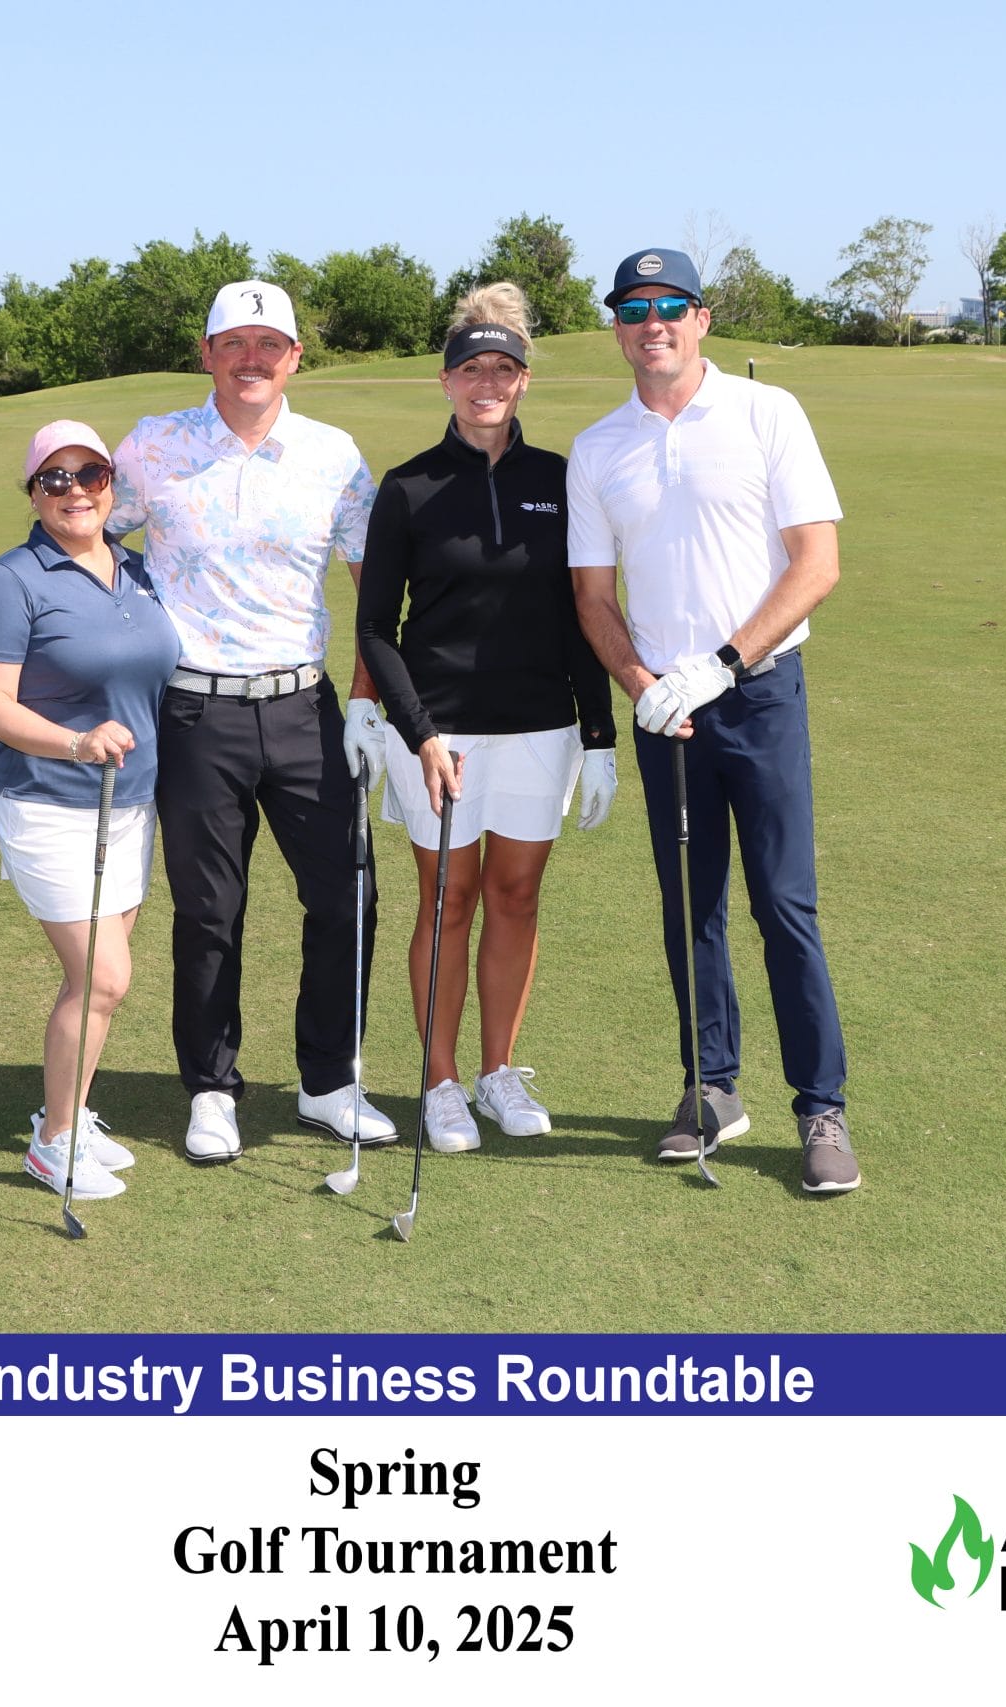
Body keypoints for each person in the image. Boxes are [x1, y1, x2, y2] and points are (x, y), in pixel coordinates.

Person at [567, 247, 861, 1195]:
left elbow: (816, 563)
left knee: (784, 904)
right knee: (690, 906)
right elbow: (592, 595)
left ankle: (821, 1107)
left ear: (701, 318)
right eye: (633, 309)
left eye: (670, 307)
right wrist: (640, 681)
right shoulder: (597, 448)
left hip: (759, 692)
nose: (652, 324)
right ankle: (712, 1087)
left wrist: (721, 665)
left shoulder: (766, 412)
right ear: (617, 327)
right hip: (667, 711)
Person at [107, 281, 395, 1163]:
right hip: (196, 710)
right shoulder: (155, 445)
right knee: (209, 911)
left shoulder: (333, 454)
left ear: (295, 358)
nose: (251, 359)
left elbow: (375, 586)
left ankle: (328, 1081)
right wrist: (8, 602)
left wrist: (365, 699)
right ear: (207, 353)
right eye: (233, 342)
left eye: (269, 344)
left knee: (348, 896)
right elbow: (84, 534)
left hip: (306, 708)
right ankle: (211, 1088)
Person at [354, 284, 618, 1153]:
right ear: (446, 381)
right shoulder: (409, 487)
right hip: (439, 733)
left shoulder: (559, 481)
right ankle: (439, 1080)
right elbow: (376, 627)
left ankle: (497, 1070)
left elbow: (583, 614)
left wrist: (599, 736)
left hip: (540, 726)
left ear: (524, 380)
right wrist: (416, 730)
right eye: (472, 370)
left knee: (515, 895)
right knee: (448, 898)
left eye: (503, 369)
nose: (487, 384)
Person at [0, 421, 182, 1200]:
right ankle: (53, 1143)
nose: (75, 490)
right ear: (32, 493)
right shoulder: (10, 578)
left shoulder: (139, 570)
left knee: (96, 982)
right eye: (54, 478)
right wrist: (76, 743)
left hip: (131, 801)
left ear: (112, 486)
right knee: (103, 977)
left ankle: (71, 1113)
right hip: (50, 800)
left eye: (91, 474)